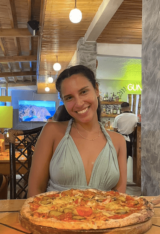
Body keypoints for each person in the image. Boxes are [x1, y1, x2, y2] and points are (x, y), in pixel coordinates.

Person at [28, 65, 127, 197]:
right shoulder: (51, 131)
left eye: (83, 92)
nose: (79, 103)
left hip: (105, 215)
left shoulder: (118, 140)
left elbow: (121, 200)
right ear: (63, 101)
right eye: (69, 97)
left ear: (96, 89)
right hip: (53, 215)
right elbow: (35, 191)